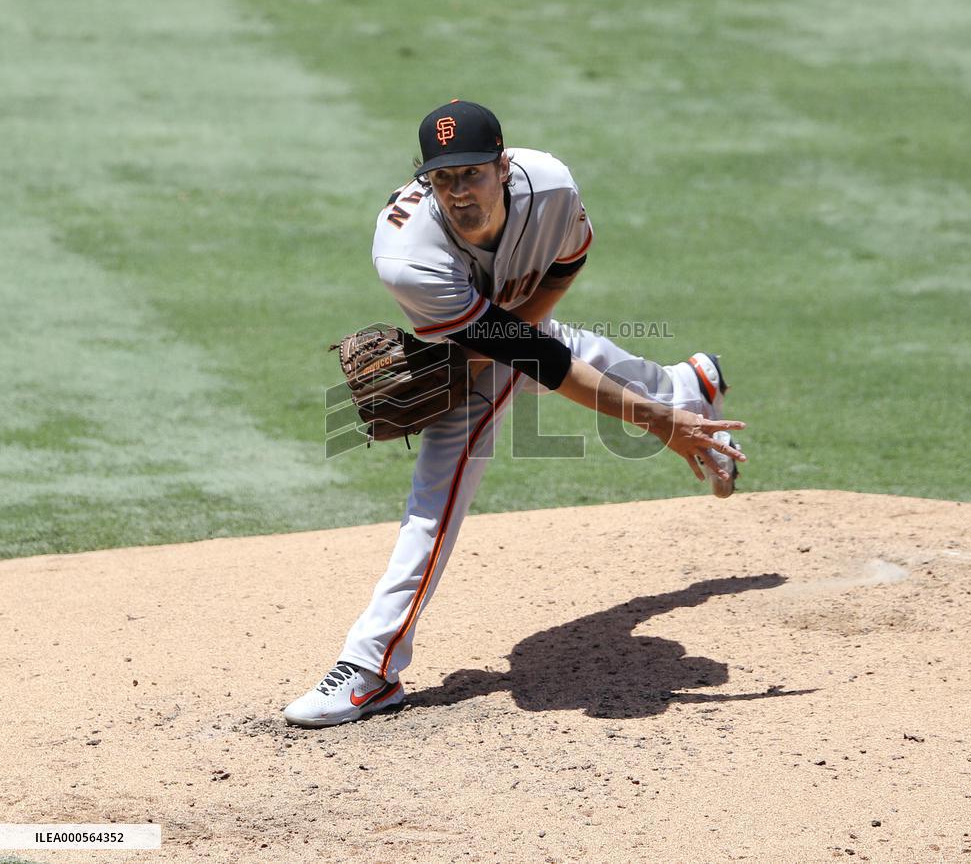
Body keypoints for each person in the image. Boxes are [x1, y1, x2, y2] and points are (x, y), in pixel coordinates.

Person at [282, 100, 746, 727]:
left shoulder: (551, 186)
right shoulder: (407, 257)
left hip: (498, 328)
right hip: (463, 324)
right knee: (517, 361)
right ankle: (683, 387)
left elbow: (567, 263)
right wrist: (494, 350)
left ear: (502, 166)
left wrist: (656, 424)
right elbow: (536, 358)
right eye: (442, 178)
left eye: (471, 173)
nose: (458, 192)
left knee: (436, 492)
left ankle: (371, 668)